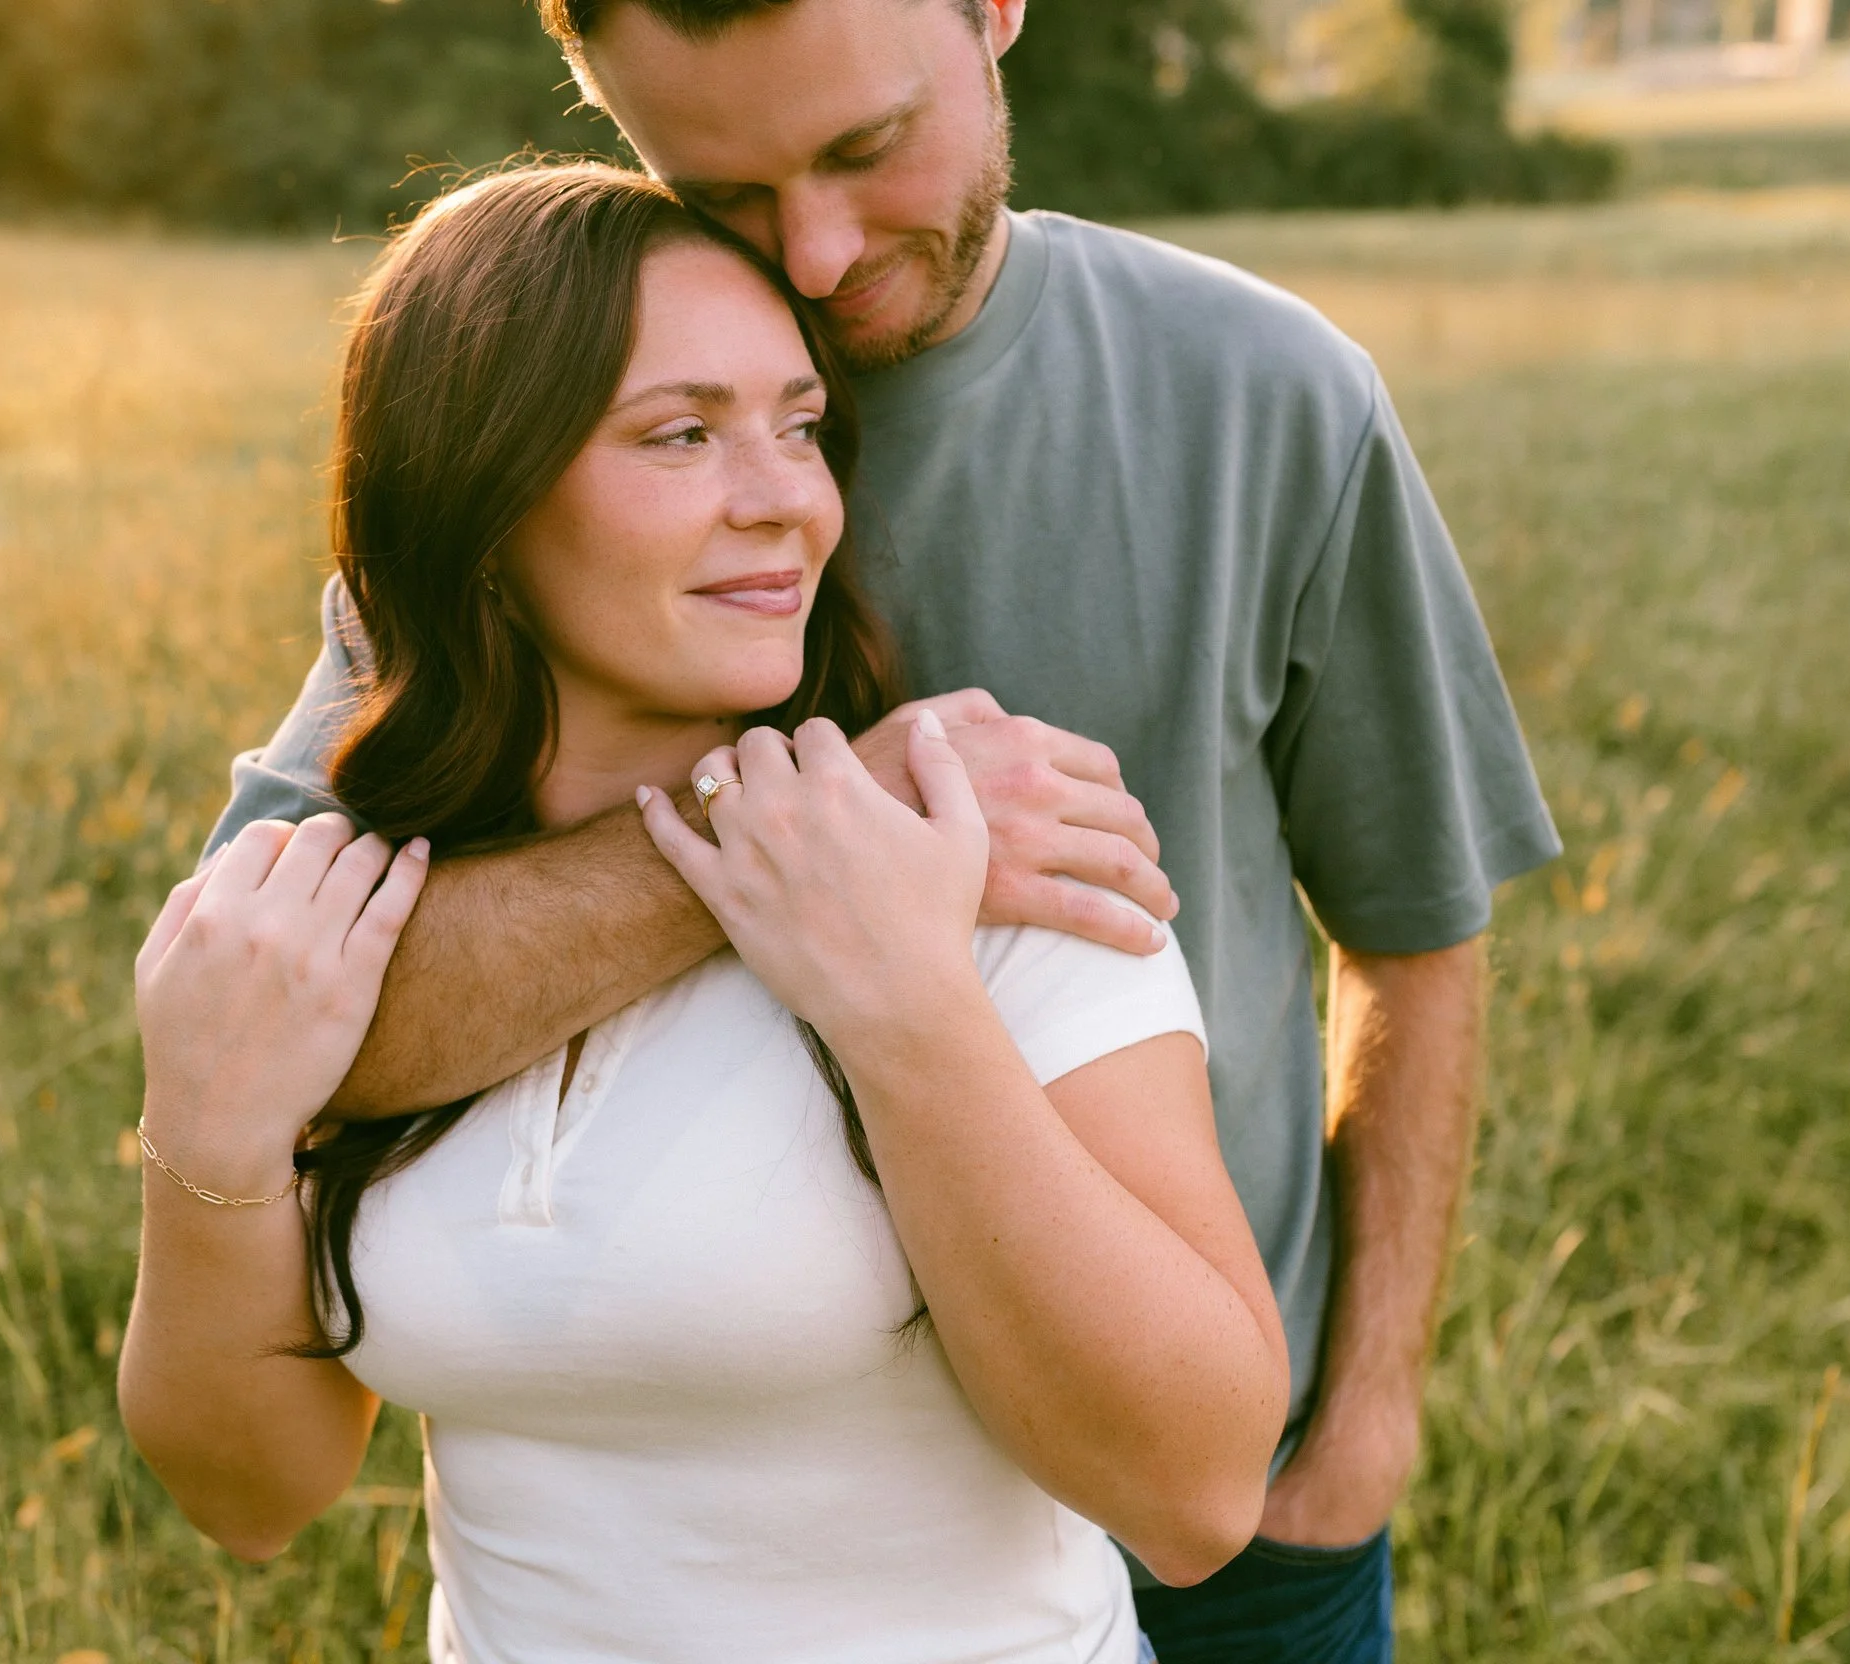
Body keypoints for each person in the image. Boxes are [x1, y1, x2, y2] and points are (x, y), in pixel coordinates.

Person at [208, 2, 1563, 1657]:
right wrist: (795, 836)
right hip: (745, 1503)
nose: (822, 252)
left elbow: (1413, 928)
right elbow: (269, 1021)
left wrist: (1359, 1437)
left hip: (1216, 1487)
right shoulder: (553, 426)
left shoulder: (1269, 397)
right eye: (720, 191)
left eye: (863, 149)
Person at [118, 162, 1291, 1664]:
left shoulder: (982, 846)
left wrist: (905, 1010)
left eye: (801, 428)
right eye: (682, 435)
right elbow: (251, 1494)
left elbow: (1196, 1496)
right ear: (478, 498)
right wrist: (209, 1146)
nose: (787, 501)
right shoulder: (362, 924)